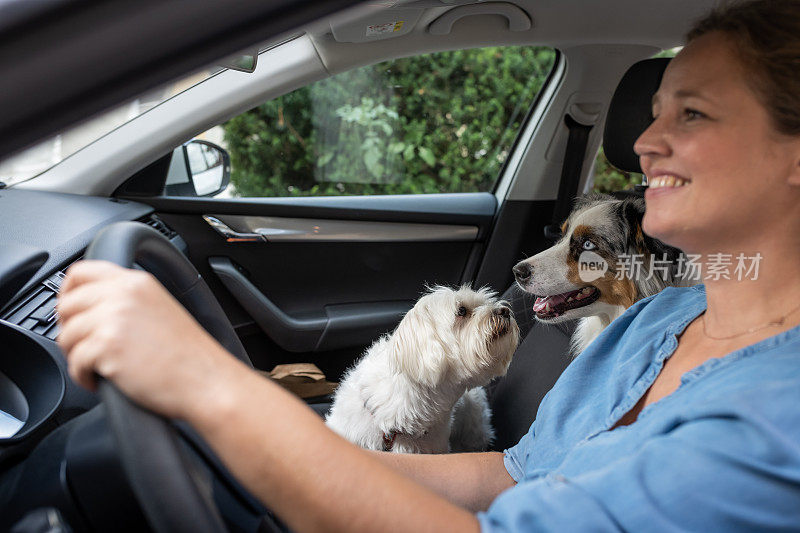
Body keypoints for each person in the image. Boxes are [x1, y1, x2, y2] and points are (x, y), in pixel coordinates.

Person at [56, 0, 800, 530]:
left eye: (691, 113)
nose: (644, 142)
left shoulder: (778, 413)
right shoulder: (655, 317)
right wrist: (279, 450)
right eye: (655, 111)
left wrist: (209, 387)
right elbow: (506, 474)